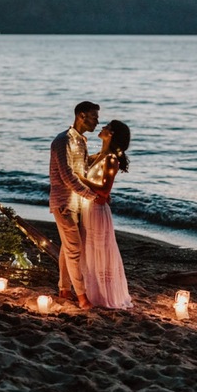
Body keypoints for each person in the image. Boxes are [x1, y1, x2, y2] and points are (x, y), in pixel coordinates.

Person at [49, 101, 103, 310]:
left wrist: (105, 153)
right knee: (75, 249)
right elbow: (66, 175)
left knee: (67, 247)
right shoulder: (62, 141)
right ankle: (82, 297)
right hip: (63, 202)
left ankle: (64, 289)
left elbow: (84, 166)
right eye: (94, 117)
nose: (97, 121)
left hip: (78, 202)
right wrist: (91, 196)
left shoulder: (81, 140)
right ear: (81, 115)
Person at [77, 120, 134, 309]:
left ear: (112, 134)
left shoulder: (111, 159)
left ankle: (102, 295)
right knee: (88, 250)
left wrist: (80, 179)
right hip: (88, 207)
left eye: (107, 127)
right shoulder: (99, 156)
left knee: (98, 251)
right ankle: (90, 290)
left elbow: (104, 190)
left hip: (97, 211)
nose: (102, 127)